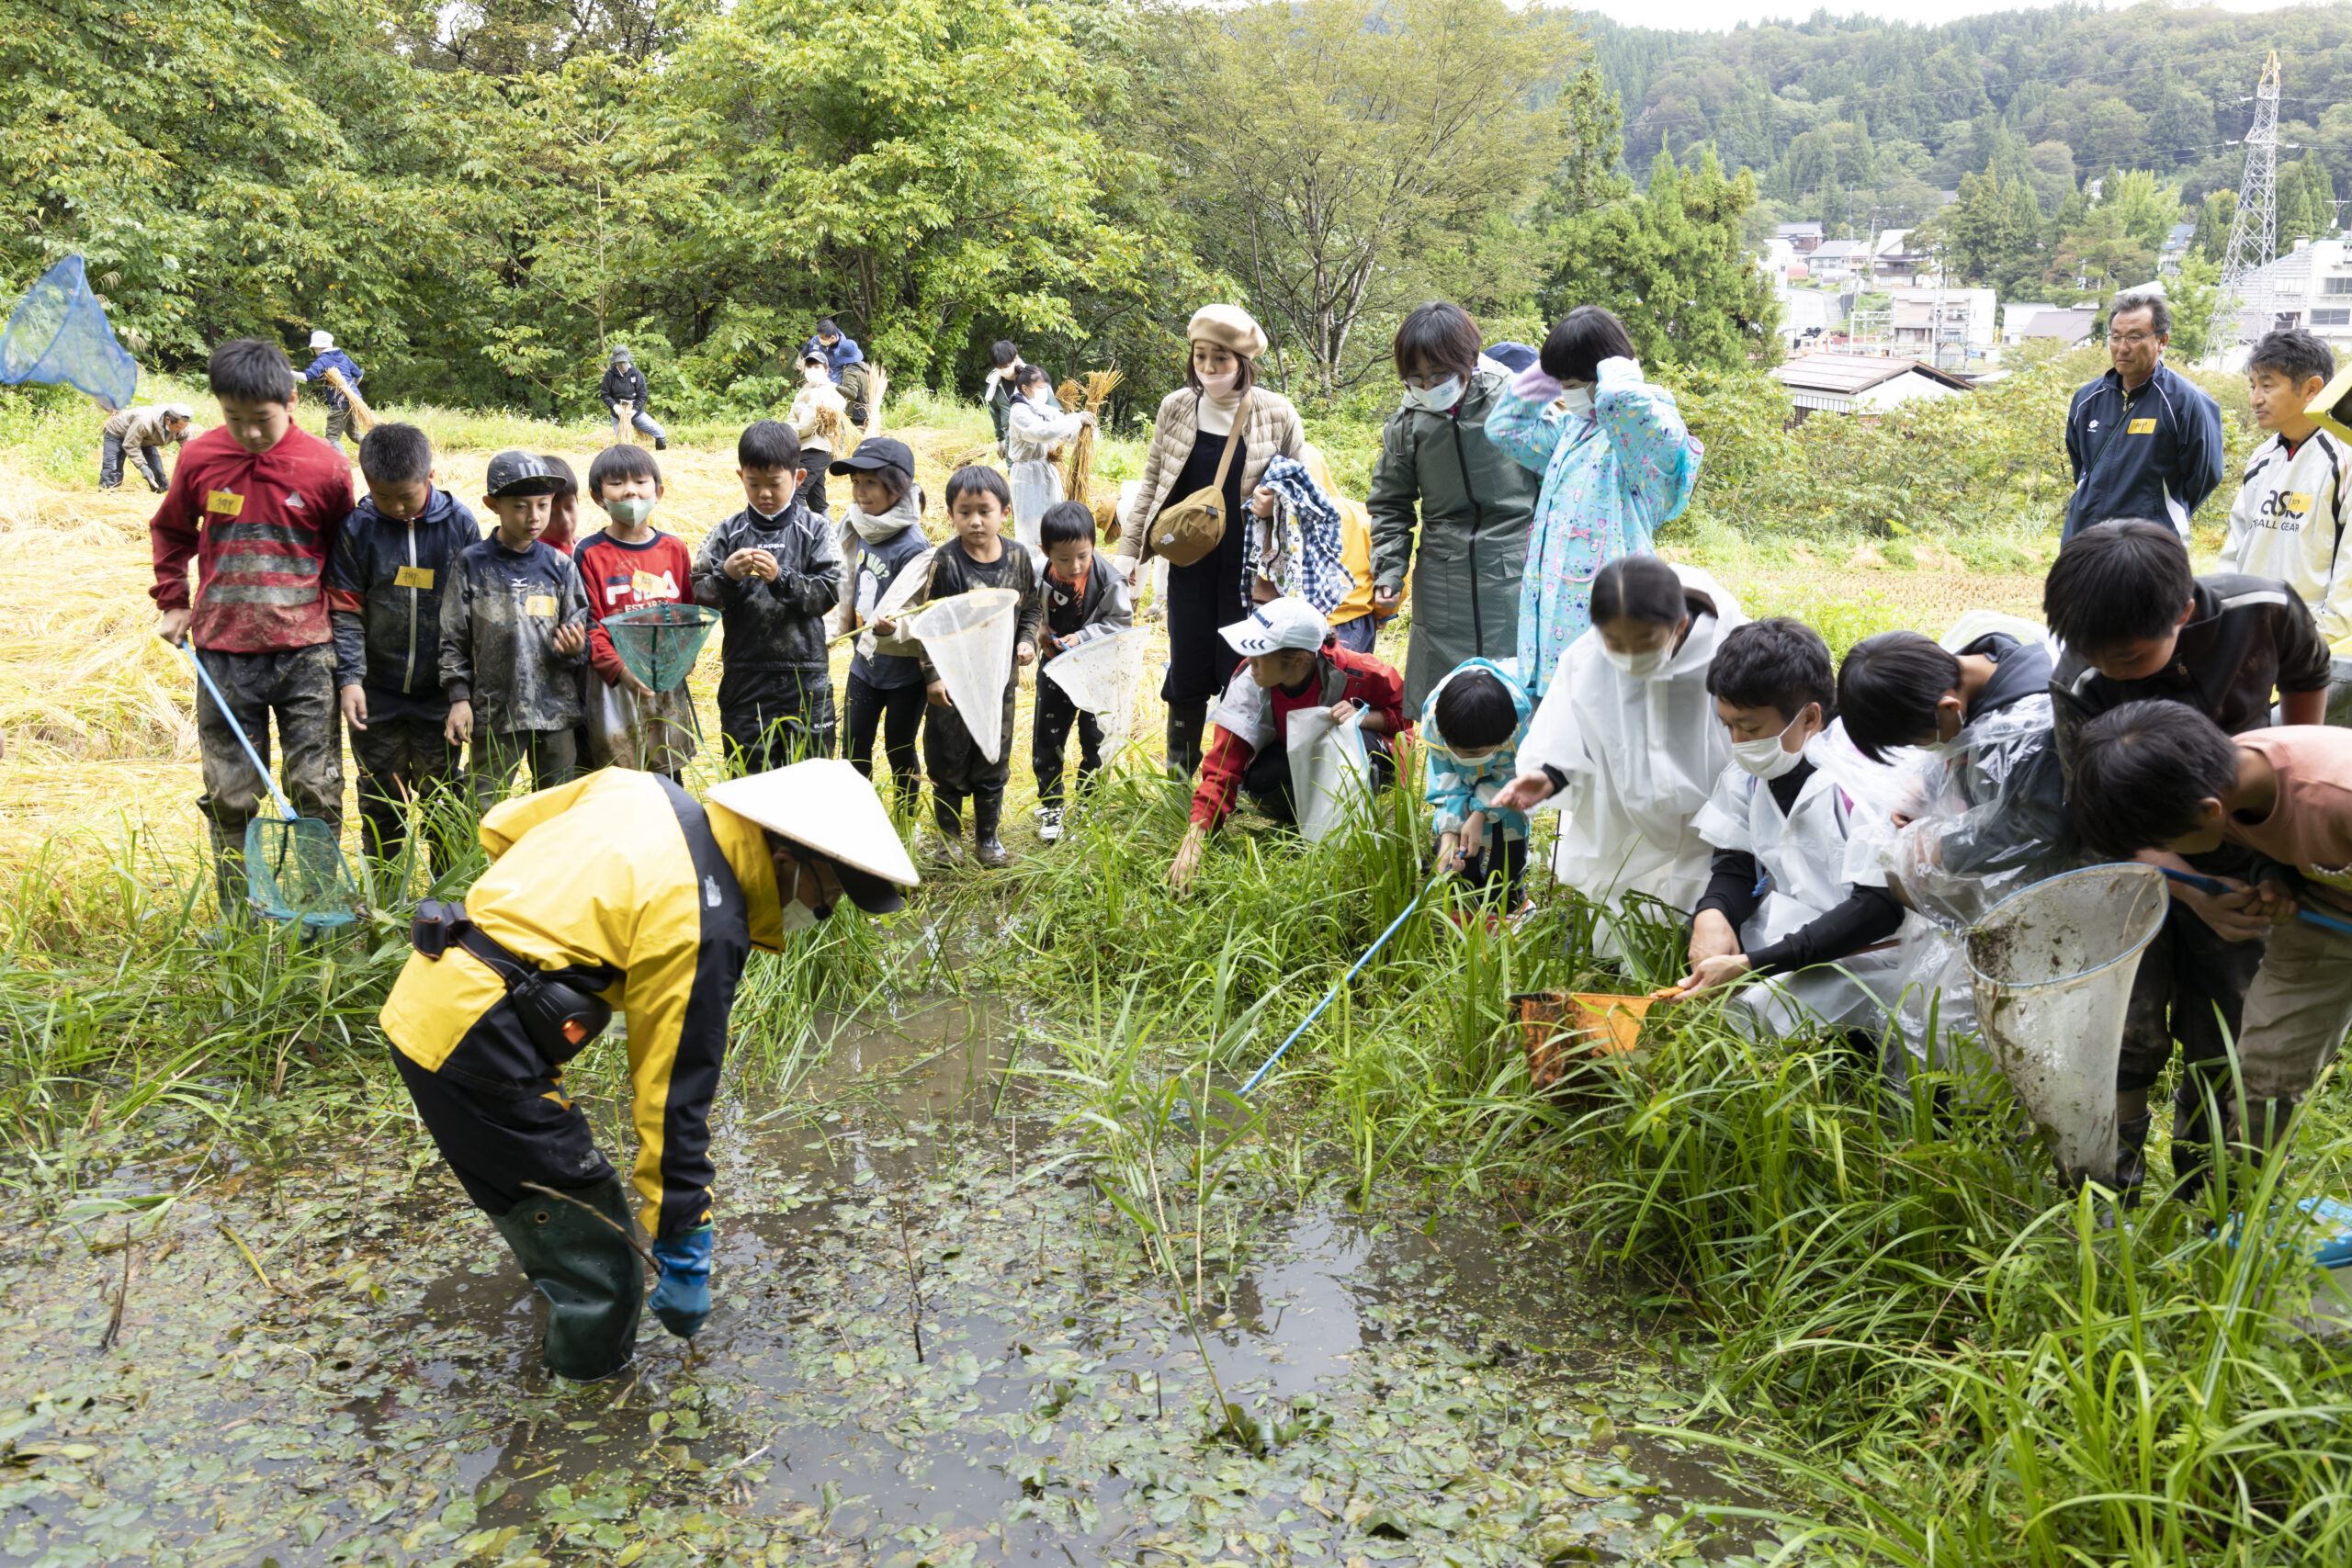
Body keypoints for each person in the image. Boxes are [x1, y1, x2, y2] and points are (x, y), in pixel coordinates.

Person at [381, 758, 919, 1381]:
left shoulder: (639, 789)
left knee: (550, 1203)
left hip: (435, 974)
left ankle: (554, 1305)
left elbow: (502, 826)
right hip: (471, 1040)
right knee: (600, 1250)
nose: (819, 916)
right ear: (785, 861)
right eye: (826, 900)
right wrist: (683, 1238)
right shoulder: (705, 923)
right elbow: (672, 1100)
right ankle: (587, 1412)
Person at [2044, 518, 2332, 1201]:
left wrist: (2284, 779)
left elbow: (2309, 674)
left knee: (2227, 1021)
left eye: (2129, 655)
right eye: (2093, 651)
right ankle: (2108, 1186)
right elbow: (2098, 816)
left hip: (2242, 836)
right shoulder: (2080, 679)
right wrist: (2190, 888)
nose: (2110, 666)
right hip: (2133, 851)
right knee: (2126, 1020)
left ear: (2183, 610)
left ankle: (2210, 1191)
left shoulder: (2262, 609)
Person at [2068, 703, 2352, 1190]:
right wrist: (2274, 879)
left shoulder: (2335, 794)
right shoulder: (2224, 780)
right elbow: (2275, 841)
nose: (2161, 855)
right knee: (2264, 1075)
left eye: (2161, 842)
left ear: (2209, 813)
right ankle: (2243, 1213)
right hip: (2326, 916)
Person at [150, 339, 354, 921]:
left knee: (316, 786)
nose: (250, 434)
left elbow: (346, 556)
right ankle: (240, 918)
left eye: (261, 421)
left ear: (290, 401)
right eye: (234, 419)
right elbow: (171, 531)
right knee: (230, 792)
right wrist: (174, 600)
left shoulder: (327, 466)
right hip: (222, 651)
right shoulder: (199, 458)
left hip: (307, 651)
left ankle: (320, 912)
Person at [1675, 619, 1908, 1047]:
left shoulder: (1861, 781)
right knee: (1704, 958)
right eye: (1728, 726)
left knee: (1760, 1017)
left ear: (1811, 717)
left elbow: (1877, 907)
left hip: (1875, 948)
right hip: (1800, 930)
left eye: (1750, 729)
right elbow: (1737, 861)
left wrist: (1755, 964)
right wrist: (1714, 913)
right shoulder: (1750, 775)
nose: (1738, 742)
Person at [1493, 557, 1747, 927]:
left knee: (1703, 884)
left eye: (1645, 641)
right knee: (1621, 898)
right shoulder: (1587, 659)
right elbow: (1568, 730)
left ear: (1680, 626)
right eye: (1614, 643)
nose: (1628, 656)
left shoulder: (1724, 648)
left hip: (1708, 805)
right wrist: (1549, 777)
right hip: (1626, 810)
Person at [1113, 304, 1307, 775]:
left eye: (1219, 359)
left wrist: (1273, 503)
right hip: (1189, 560)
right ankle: (1180, 774)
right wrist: (1127, 557)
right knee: (1187, 658)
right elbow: (1153, 482)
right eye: (1200, 357)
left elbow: (1304, 492)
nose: (1207, 369)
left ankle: (1234, 775)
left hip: (1248, 566)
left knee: (1243, 663)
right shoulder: (1176, 407)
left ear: (1243, 361)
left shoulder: (1277, 413)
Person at [1486, 306, 1704, 694]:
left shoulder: (1643, 437)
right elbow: (1503, 428)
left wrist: (1618, 366)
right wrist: (1550, 369)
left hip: (1612, 630)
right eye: (1561, 383)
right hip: (1548, 643)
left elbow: (1621, 401)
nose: (1565, 393)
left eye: (1572, 383)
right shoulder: (1571, 432)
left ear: (1602, 376)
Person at [1365, 302, 1542, 710]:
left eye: (1440, 375)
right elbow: (1390, 503)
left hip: (1516, 570)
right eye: (1416, 379)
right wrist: (1389, 570)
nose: (1429, 388)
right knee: (1449, 709)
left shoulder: (1517, 402)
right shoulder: (1409, 423)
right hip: (1443, 579)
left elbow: (1557, 481)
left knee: (1521, 700)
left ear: (1469, 360)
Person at [1169, 596, 1408, 890]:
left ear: (1299, 660)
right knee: (1261, 777)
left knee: (1343, 744)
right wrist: (1194, 841)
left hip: (1362, 756)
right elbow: (1222, 768)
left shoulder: (1359, 671)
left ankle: (1352, 836)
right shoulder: (1249, 680)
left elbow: (1405, 715)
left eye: (1259, 655)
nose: (1249, 664)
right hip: (1302, 754)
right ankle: (1302, 825)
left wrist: (1364, 717)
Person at [326, 422, 481, 867]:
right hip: (378, 695)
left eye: (407, 497)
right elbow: (346, 612)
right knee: (381, 799)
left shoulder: (460, 525)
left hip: (440, 697)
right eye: (383, 497)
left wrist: (461, 693)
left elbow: (471, 617)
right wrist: (351, 678)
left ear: (430, 478)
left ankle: (447, 904)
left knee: (443, 799)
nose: (396, 507)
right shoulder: (358, 530)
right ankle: (387, 900)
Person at [892, 467, 1039, 867]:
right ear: (951, 514)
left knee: (994, 755)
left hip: (998, 684)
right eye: (965, 512)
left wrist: (1027, 641)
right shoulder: (947, 560)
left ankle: (988, 839)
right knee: (948, 757)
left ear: (1005, 512)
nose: (975, 520)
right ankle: (949, 839)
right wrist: (933, 676)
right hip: (954, 683)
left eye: (985, 511)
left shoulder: (1018, 557)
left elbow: (1030, 608)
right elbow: (929, 623)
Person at [443, 450, 592, 807]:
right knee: (485, 806)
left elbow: (582, 630)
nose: (534, 516)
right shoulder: (472, 564)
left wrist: (575, 650)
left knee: (557, 807)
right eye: (520, 506)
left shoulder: (561, 566)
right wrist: (458, 697)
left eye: (542, 505)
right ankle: (484, 865)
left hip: (556, 710)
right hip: (495, 709)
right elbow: (453, 637)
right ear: (493, 505)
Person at [692, 422, 843, 772]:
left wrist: (781, 579)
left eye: (774, 484)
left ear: (799, 477)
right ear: (740, 475)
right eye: (753, 483)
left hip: (805, 674)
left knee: (810, 774)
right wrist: (727, 577)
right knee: (749, 778)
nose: (764, 494)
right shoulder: (727, 533)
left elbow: (829, 591)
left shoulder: (816, 529)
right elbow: (699, 594)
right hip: (745, 673)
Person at [2219, 327, 2352, 660]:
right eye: (2253, 386)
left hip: (2313, 652)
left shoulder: (2344, 460)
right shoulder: (2262, 459)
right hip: (2249, 643)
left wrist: (2317, 648)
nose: (2255, 399)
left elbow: (2348, 580)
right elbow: (2234, 552)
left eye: (2268, 385)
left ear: (2312, 389)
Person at [2060, 285, 2223, 543]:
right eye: (2115, 337)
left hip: (2151, 546)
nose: (2122, 347)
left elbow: (2205, 475)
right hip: (2085, 538)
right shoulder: (2086, 399)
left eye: (2134, 337)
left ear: (2161, 341)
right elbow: (2081, 465)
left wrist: (2160, 511)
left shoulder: (2186, 401)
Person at [575, 445, 698, 778]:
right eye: (617, 483)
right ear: (598, 497)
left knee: (667, 768)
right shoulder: (589, 553)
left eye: (640, 481)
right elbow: (591, 625)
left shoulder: (674, 549)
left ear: (658, 491)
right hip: (614, 683)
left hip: (665, 680)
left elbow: (687, 613)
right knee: (620, 770)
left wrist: (684, 659)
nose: (630, 490)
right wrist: (620, 670)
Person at [839, 438, 933, 817]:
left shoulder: (912, 545)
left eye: (871, 484)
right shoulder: (859, 525)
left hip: (904, 676)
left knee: (899, 748)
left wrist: (892, 628)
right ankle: (859, 819)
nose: (861, 494)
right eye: (856, 483)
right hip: (864, 666)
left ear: (898, 487)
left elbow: (920, 616)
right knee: (853, 744)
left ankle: (904, 823)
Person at [1033, 499, 1134, 842]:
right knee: (1048, 737)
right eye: (1063, 559)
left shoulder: (1109, 581)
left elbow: (1122, 622)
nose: (1074, 566)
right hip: (1055, 668)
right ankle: (1051, 804)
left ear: (1093, 545)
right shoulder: (1039, 573)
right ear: (1045, 551)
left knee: (1095, 737)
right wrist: (1038, 628)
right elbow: (1028, 609)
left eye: (1082, 556)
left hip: (1097, 671)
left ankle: (1089, 803)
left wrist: (1085, 636)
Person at [1422, 658, 1534, 908]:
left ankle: (1508, 901)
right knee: (1460, 846)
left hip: (1509, 775)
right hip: (1463, 768)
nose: (1463, 758)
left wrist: (1480, 812)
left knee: (1511, 830)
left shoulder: (1519, 724)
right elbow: (1445, 778)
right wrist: (1449, 832)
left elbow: (1511, 775)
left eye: (1474, 753)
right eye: (1458, 750)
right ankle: (1468, 897)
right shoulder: (1435, 721)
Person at [1004, 364, 1092, 556]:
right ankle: (1032, 572)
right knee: (1031, 530)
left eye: (1046, 387)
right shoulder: (1019, 411)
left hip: (1046, 471)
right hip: (1026, 475)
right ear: (1026, 389)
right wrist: (1076, 419)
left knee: (1052, 522)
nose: (1044, 391)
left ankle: (1053, 567)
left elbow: (1064, 432)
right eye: (1040, 387)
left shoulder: (1044, 410)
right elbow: (1043, 433)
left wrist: (1086, 429)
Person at [789, 352, 849, 520]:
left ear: (826, 370)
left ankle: (806, 532)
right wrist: (793, 427)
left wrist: (791, 432)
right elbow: (792, 415)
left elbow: (808, 422)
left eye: (817, 367)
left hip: (816, 450)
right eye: (809, 366)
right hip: (806, 448)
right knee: (816, 500)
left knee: (794, 493)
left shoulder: (825, 391)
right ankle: (829, 538)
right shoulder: (805, 389)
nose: (812, 370)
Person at [294, 331, 365, 453]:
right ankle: (378, 453)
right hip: (355, 399)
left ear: (317, 347)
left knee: (332, 439)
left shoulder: (323, 360)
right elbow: (359, 375)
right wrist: (350, 390)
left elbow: (307, 377)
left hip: (340, 403)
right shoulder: (343, 357)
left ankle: (344, 466)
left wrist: (287, 372)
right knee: (354, 433)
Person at [99, 402, 193, 491]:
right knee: (113, 470)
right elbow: (131, 445)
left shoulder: (183, 427)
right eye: (178, 427)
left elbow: (192, 450)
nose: (181, 430)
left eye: (184, 427)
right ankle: (107, 494)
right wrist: (142, 467)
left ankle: (160, 495)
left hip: (146, 439)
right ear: (168, 420)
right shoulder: (144, 421)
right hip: (117, 432)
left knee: (158, 476)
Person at [601, 346, 667, 451]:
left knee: (660, 432)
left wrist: (634, 410)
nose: (622, 365)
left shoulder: (637, 374)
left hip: (635, 412)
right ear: (615, 362)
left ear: (628, 360)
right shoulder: (609, 375)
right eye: (619, 362)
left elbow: (643, 395)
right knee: (623, 442)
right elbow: (605, 394)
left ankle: (661, 453)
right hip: (618, 414)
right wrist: (615, 407)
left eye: (624, 362)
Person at [805, 318, 864, 384]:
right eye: (819, 337)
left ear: (832, 338)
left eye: (822, 338)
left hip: (834, 385)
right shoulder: (817, 339)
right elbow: (807, 350)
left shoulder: (845, 349)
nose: (820, 339)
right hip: (814, 381)